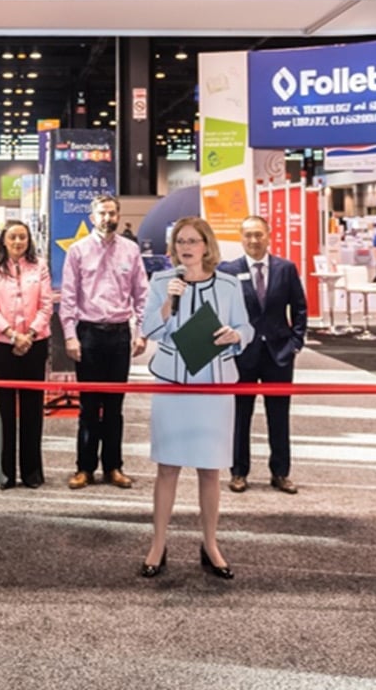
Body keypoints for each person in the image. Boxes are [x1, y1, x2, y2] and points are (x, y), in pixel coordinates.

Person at [140, 216, 252, 580]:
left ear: (207, 245)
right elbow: (150, 330)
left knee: (210, 468)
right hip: (173, 381)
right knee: (167, 467)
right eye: (180, 241)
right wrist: (169, 303)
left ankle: (211, 544)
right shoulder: (161, 281)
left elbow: (245, 326)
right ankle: (158, 544)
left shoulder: (229, 284)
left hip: (214, 383)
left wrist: (236, 336)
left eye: (193, 240)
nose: (186, 247)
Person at [60, 194, 148, 490]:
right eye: (102, 213)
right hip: (89, 335)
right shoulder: (78, 251)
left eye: (112, 213)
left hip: (120, 335)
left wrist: (142, 332)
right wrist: (70, 336)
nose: (108, 218)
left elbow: (142, 295)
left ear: (118, 215)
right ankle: (84, 468)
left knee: (115, 407)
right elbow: (69, 297)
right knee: (88, 406)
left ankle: (114, 467)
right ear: (92, 217)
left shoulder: (131, 251)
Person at [218, 215, 308, 495]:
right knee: (240, 416)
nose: (254, 240)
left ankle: (280, 473)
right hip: (243, 354)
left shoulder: (286, 269)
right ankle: (238, 472)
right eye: (248, 235)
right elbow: (221, 311)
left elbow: (300, 308)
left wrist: (295, 343)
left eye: (258, 234)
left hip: (279, 354)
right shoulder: (228, 270)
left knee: (279, 416)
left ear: (269, 235)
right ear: (241, 238)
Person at [0, 220, 53, 490]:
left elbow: (46, 305)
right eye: (13, 237)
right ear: (3, 241)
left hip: (35, 343)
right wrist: (12, 334)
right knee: (3, 408)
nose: (18, 242)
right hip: (1, 344)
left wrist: (30, 334)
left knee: (33, 408)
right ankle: (4, 473)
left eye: (23, 237)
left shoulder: (40, 266)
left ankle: (32, 473)